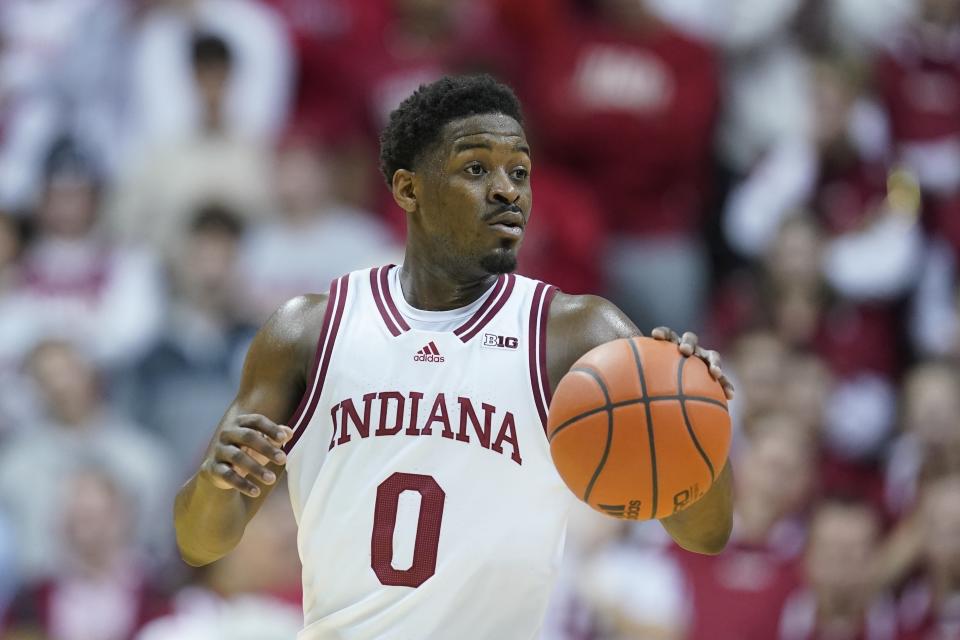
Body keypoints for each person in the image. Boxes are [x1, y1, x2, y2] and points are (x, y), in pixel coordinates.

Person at [174, 74, 735, 639]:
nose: (507, 190)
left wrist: (688, 418)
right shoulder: (308, 331)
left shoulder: (575, 333)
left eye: (520, 172)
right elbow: (200, 543)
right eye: (476, 169)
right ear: (408, 190)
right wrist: (216, 482)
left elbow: (705, 534)